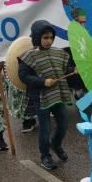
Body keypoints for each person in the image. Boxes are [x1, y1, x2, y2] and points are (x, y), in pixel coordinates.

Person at [19, 20, 74, 171]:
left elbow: (64, 68)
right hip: (41, 97)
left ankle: (55, 145)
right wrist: (42, 82)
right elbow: (23, 76)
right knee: (45, 128)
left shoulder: (59, 53)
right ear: (37, 37)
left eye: (51, 37)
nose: (49, 41)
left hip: (57, 95)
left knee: (63, 125)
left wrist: (72, 70)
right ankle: (45, 156)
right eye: (45, 37)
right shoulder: (28, 56)